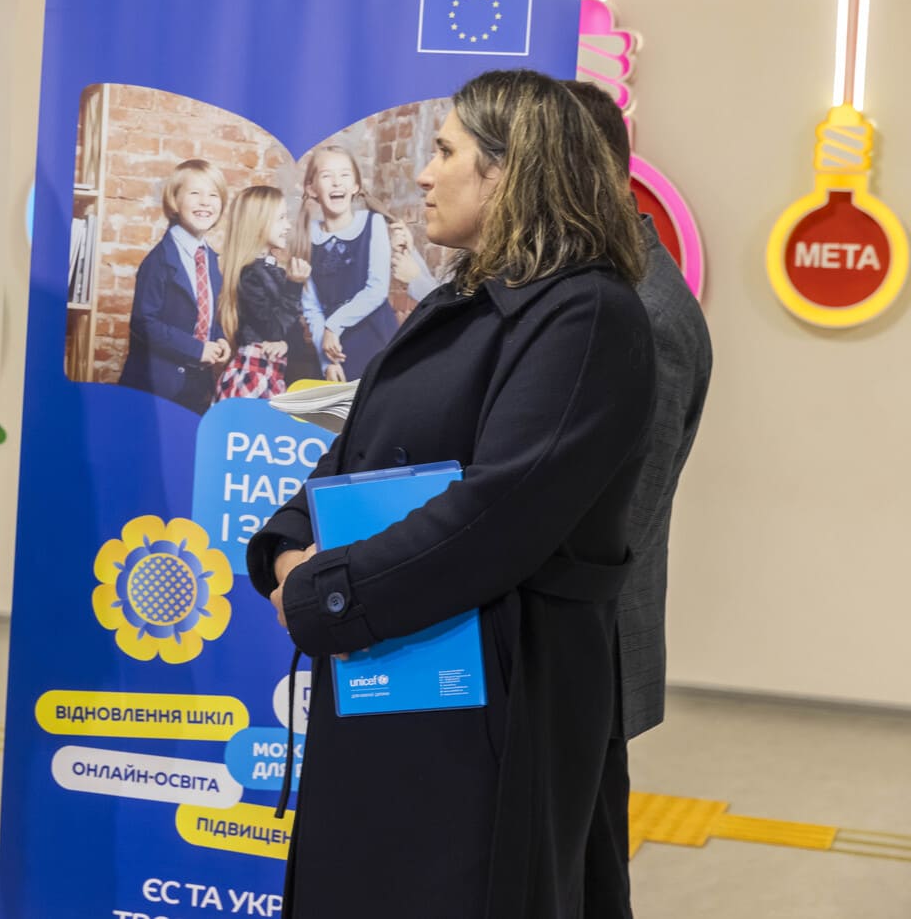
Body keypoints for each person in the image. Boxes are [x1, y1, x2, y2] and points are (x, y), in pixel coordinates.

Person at [246, 69, 655, 917]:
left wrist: (328, 591)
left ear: (509, 171)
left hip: (496, 697)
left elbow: (499, 512)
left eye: (445, 152)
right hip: (394, 666)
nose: (423, 174)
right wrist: (286, 549)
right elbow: (353, 453)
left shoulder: (586, 315)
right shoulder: (463, 297)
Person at [563, 79, 714, 919]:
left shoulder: (644, 311)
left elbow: (619, 516)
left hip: (588, 648)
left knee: (587, 878)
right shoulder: (599, 285)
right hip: (566, 648)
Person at [119, 158, 232, 412]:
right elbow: (143, 322)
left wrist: (220, 338)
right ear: (174, 201)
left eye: (213, 195)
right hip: (158, 387)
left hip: (197, 386)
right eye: (195, 193)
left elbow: (205, 314)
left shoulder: (210, 259)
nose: (205, 202)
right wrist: (196, 349)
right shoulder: (159, 260)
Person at [288, 144, 397, 382]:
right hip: (334, 350)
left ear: (356, 185)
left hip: (377, 340)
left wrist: (333, 326)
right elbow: (312, 307)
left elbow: (377, 289)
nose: (337, 182)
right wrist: (326, 362)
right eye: (327, 176)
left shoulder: (373, 223)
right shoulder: (306, 236)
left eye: (345, 175)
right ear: (312, 188)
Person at [213, 185, 311, 400]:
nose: (288, 225)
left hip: (271, 374)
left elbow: (294, 333)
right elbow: (273, 328)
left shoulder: (275, 271)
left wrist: (285, 344)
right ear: (258, 224)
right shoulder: (249, 276)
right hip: (252, 375)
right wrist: (294, 286)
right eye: (281, 218)